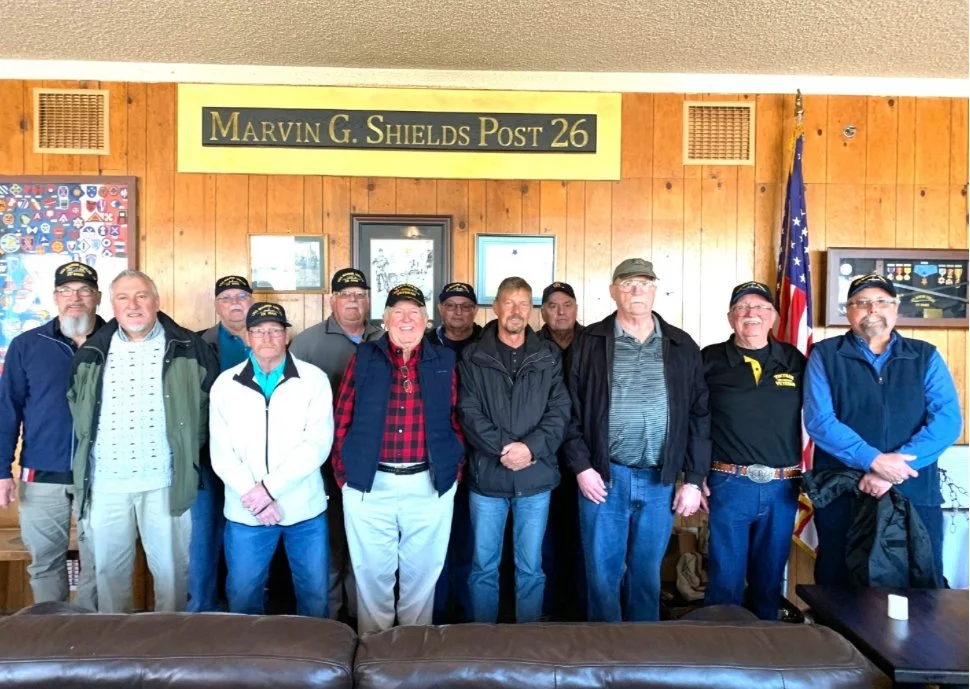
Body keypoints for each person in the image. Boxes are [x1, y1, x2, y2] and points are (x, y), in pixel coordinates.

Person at [563, 258, 711, 622]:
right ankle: (604, 658)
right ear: (613, 291)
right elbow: (567, 411)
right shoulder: (590, 343)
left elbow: (699, 415)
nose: (636, 291)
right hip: (603, 478)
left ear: (655, 290)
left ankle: (643, 657)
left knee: (646, 576)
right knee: (602, 576)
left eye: (644, 283)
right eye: (627, 284)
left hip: (660, 481)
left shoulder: (681, 344)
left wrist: (693, 480)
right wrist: (582, 467)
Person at [67, 269, 218, 613]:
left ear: (156, 301)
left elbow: (208, 408)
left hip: (165, 482)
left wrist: (184, 452)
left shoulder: (189, 347)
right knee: (109, 574)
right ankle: (115, 657)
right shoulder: (92, 351)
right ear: (112, 305)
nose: (132, 305)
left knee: (172, 574)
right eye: (123, 298)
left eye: (141, 296)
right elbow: (77, 405)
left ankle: (170, 654)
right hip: (105, 483)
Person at [804, 273, 961, 587]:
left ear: (896, 309)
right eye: (861, 303)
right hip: (846, 492)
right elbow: (821, 421)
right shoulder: (824, 355)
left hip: (914, 492)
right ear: (848, 311)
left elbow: (947, 421)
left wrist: (896, 467)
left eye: (881, 302)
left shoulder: (925, 355)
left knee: (921, 588)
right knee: (840, 586)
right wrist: (874, 461)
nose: (871, 309)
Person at [332, 284, 463, 633]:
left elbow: (456, 420)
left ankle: (410, 657)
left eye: (414, 313)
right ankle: (374, 656)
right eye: (399, 313)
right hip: (369, 485)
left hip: (429, 485)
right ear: (386, 319)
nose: (407, 320)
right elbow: (341, 419)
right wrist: (345, 476)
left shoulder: (444, 360)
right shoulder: (364, 357)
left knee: (422, 577)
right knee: (372, 576)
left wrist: (453, 473)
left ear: (426, 320)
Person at [209, 302, 334, 617]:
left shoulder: (314, 380)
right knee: (242, 596)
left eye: (275, 330)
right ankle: (248, 664)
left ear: (286, 335)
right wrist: (256, 498)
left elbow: (317, 444)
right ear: (247, 338)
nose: (267, 337)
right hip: (246, 511)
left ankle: (314, 662)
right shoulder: (225, 384)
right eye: (259, 331)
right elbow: (222, 453)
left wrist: (269, 490)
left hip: (304, 509)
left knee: (314, 596)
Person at [459, 277, 571, 623]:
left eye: (523, 303)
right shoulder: (473, 355)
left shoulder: (548, 355)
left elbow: (560, 410)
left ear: (532, 310)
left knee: (531, 568)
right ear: (495, 307)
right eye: (509, 302)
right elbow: (468, 411)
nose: (516, 311)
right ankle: (483, 644)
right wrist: (506, 448)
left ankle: (528, 646)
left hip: (535, 479)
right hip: (488, 479)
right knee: (483, 568)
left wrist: (530, 449)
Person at [0, 262, 104, 611]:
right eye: (67, 291)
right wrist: (2, 470)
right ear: (56, 297)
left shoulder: (117, 342)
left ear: (98, 298)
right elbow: (7, 409)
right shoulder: (28, 345)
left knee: (99, 562)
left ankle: (92, 640)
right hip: (42, 474)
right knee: (45, 562)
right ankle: (53, 634)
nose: (75, 298)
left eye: (84, 291)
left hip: (103, 475)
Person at [701, 281, 805, 620]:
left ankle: (765, 661)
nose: (752, 314)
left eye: (761, 307)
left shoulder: (795, 360)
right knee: (725, 583)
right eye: (743, 307)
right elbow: (693, 420)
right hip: (729, 483)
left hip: (783, 487)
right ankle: (719, 661)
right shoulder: (709, 359)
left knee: (768, 584)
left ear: (774, 316)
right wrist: (694, 476)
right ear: (731, 317)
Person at [289, 267, 382, 621]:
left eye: (360, 295)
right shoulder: (307, 343)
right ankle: (329, 626)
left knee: (366, 546)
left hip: (371, 462)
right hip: (323, 462)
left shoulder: (384, 336)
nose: (353, 301)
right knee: (330, 547)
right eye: (346, 295)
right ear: (333, 301)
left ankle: (365, 625)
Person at [189, 275, 253, 612]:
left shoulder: (272, 339)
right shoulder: (198, 343)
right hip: (207, 457)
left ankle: (245, 613)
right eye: (226, 297)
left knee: (247, 535)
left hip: (256, 461)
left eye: (241, 295)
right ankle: (201, 613)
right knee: (204, 537)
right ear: (216, 305)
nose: (235, 303)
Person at [427, 281, 481, 623]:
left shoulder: (488, 341)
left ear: (475, 310)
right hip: (435, 453)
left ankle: (466, 615)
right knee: (434, 539)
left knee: (469, 536)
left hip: (480, 453)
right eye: (451, 305)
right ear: (440, 309)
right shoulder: (426, 342)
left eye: (465, 306)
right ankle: (436, 612)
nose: (457, 312)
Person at [536, 280, 586, 621]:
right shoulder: (531, 345)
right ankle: (549, 611)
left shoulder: (594, 342)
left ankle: (581, 611)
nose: (560, 312)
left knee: (584, 537)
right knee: (546, 539)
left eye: (567, 305)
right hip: (543, 456)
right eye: (553, 306)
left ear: (576, 308)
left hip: (585, 459)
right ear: (542, 312)